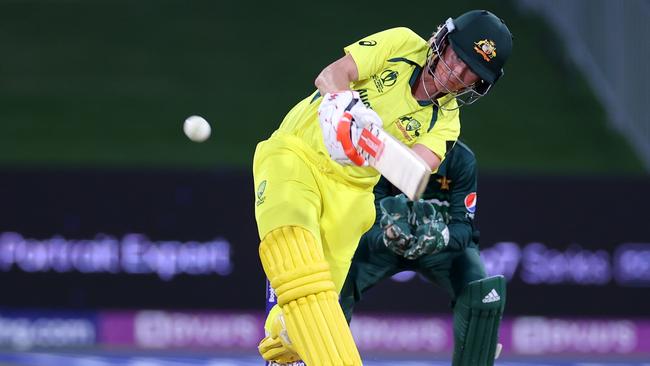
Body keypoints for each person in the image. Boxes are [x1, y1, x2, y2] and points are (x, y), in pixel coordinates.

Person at [254, 9, 512, 365]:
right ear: (443, 41)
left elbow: (412, 173)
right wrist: (344, 108)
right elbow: (331, 75)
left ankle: (285, 351)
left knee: (306, 317)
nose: (459, 74)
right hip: (296, 152)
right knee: (296, 258)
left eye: (473, 73)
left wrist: (364, 139)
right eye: (459, 57)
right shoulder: (402, 43)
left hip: (352, 196)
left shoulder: (447, 124)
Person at [340, 140, 505, 366]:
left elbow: (464, 227)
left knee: (481, 289)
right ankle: (321, 354)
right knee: (337, 277)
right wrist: (387, 237)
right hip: (386, 247)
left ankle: (477, 355)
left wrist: (442, 238)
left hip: (440, 249)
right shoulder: (383, 152)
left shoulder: (461, 159)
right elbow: (368, 222)